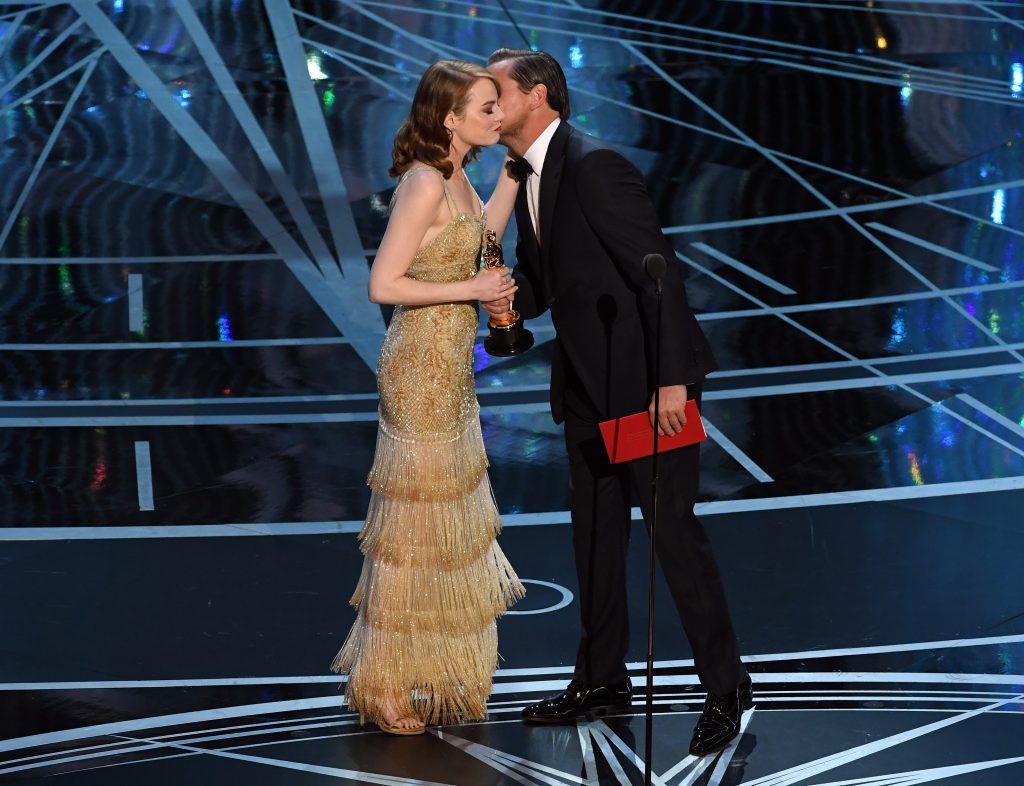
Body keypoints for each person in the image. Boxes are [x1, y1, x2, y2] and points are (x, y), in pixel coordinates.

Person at [484, 49, 753, 757]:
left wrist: (670, 381)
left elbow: (655, 274)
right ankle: (602, 680)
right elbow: (550, 282)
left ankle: (726, 688)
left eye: (497, 90)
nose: (487, 101)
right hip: (585, 390)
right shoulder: (533, 174)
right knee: (595, 542)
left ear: (536, 96)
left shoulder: (595, 166)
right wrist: (503, 297)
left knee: (672, 539)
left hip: (644, 392)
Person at [330, 59, 525, 736]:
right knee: (411, 534)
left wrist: (509, 181)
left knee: (440, 528)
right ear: (449, 117)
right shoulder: (422, 181)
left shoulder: (459, 173)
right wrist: (469, 292)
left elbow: (479, 238)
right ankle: (382, 686)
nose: (497, 116)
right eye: (486, 108)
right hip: (419, 370)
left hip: (450, 370)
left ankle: (425, 670)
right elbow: (384, 285)